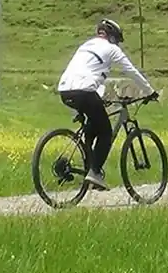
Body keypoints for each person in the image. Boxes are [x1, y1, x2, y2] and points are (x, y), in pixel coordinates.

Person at [56, 18, 158, 191]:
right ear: (112, 37)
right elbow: (131, 71)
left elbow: (92, 73)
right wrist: (150, 91)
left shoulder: (86, 46)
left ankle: (88, 165)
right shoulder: (112, 49)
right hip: (85, 92)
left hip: (65, 90)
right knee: (105, 132)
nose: (117, 43)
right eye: (117, 40)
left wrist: (101, 97)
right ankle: (94, 172)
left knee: (93, 124)